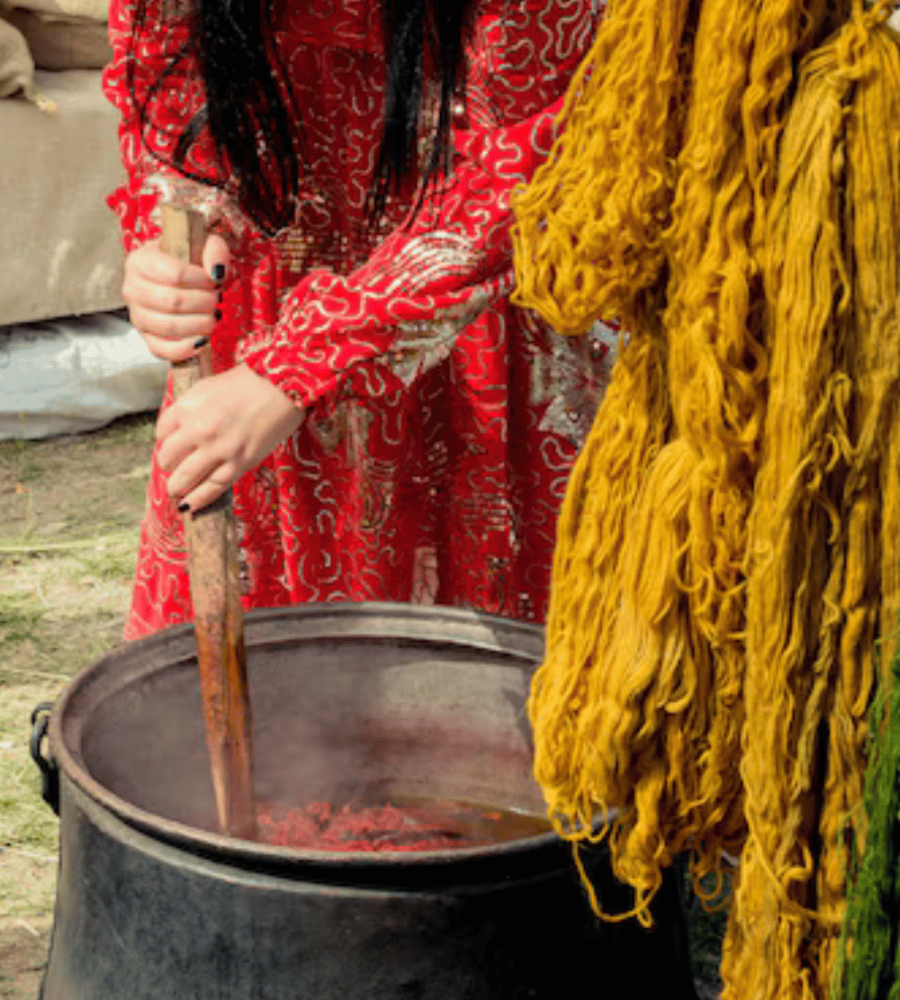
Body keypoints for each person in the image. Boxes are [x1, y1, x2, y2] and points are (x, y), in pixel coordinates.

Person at [105, 0, 612, 640]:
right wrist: (177, 232)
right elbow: (168, 79)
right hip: (262, 319)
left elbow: (519, 163)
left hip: (469, 314)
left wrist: (293, 370)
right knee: (256, 692)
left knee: (490, 691)